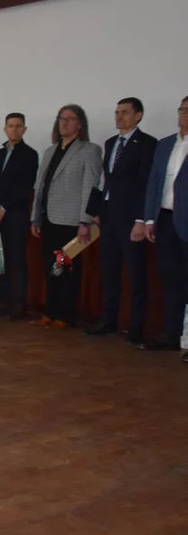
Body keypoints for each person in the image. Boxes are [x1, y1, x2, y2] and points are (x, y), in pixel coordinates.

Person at [84, 98, 157, 345]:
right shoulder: (111, 143)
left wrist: (141, 219)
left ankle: (136, 327)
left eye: (125, 112)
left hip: (131, 217)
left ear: (138, 116)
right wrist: (96, 209)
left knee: (136, 274)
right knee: (109, 270)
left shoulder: (147, 144)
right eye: (117, 112)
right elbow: (107, 179)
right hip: (109, 215)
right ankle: (108, 320)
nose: (119, 117)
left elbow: (146, 183)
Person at [30, 106, 103, 329]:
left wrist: (85, 221)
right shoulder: (50, 151)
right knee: (51, 267)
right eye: (61, 119)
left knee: (67, 269)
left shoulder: (89, 150)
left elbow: (90, 188)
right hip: (49, 218)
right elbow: (40, 187)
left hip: (71, 221)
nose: (64, 123)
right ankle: (51, 312)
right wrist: (35, 217)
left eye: (70, 119)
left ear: (80, 124)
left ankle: (65, 315)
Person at [142, 96, 188, 357]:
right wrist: (149, 219)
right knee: (170, 279)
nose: (185, 114)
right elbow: (153, 183)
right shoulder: (165, 144)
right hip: (166, 220)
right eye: (182, 110)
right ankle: (171, 333)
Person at [0, 113, 39, 319]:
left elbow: (25, 187)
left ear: (24, 129)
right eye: (10, 126)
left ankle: (18, 304)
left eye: (18, 126)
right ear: (5, 129)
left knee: (16, 259)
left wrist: (3, 208)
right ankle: (2, 301)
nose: (14, 129)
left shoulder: (29, 154)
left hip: (15, 214)